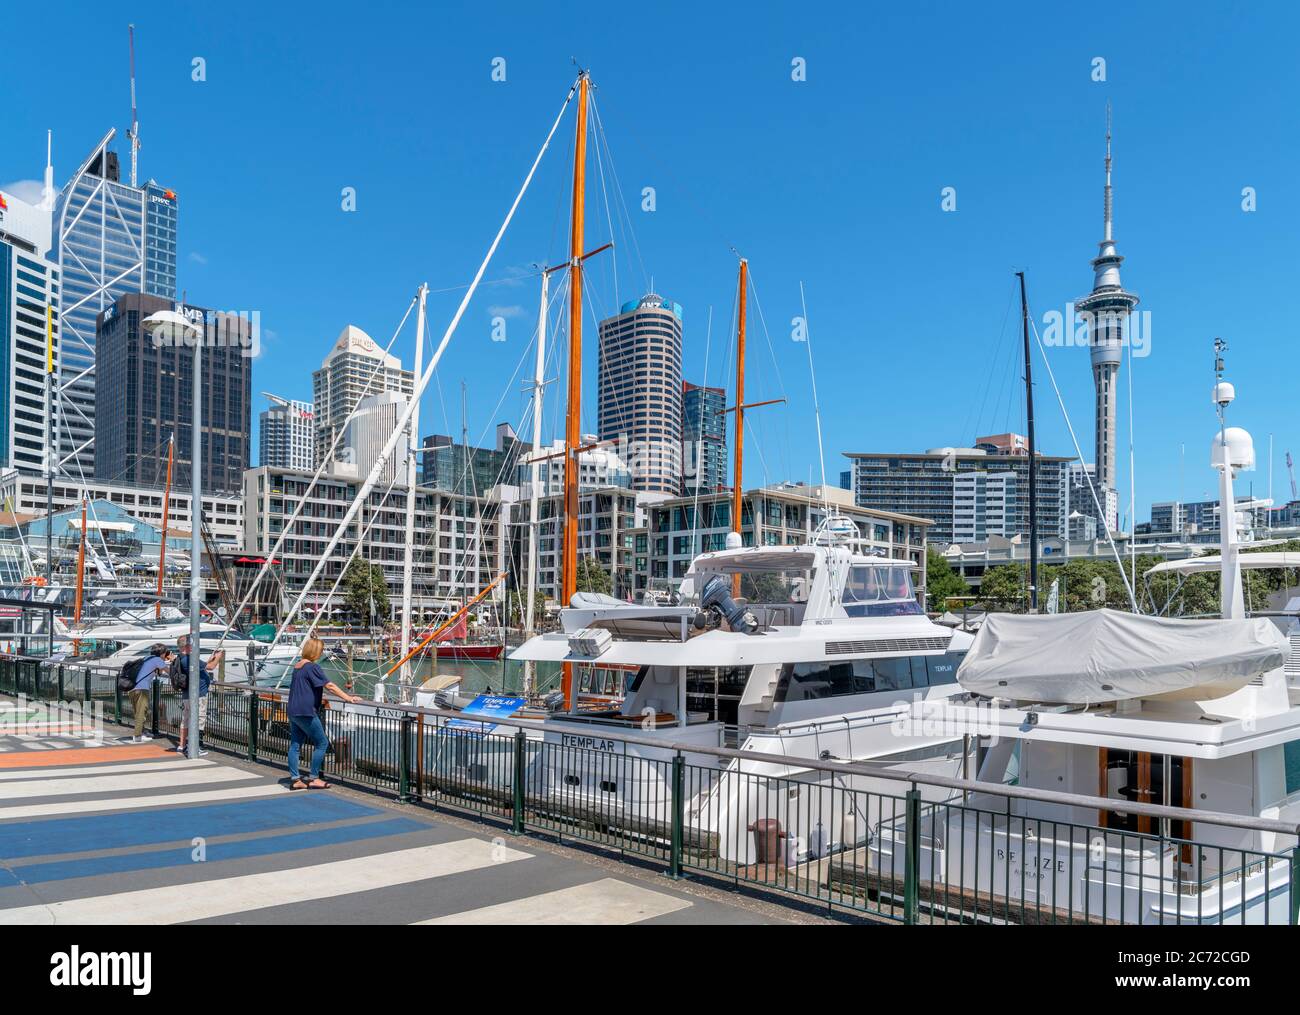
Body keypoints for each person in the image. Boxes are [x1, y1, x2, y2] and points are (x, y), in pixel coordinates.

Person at [287, 636, 359, 790]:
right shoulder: (313, 667)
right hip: (306, 711)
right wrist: (348, 698)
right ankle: (314, 778)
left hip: (293, 710)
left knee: (295, 745)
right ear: (315, 652)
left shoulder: (298, 666)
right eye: (320, 651)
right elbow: (330, 686)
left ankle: (295, 780)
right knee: (322, 743)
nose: (320, 654)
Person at [172, 635, 224, 756]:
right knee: (199, 719)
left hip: (187, 694)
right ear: (188, 646)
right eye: (192, 644)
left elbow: (204, 665)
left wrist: (212, 658)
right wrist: (218, 658)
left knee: (185, 719)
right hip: (198, 694)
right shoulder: (190, 658)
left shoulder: (181, 658)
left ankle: (182, 745)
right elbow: (210, 667)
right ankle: (197, 746)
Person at [129, 645, 172, 743]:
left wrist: (162, 663)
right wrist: (171, 662)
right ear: (162, 653)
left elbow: (158, 673)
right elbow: (169, 672)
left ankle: (142, 732)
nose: (166, 654)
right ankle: (137, 736)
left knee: (137, 712)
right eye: (166, 653)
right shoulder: (157, 659)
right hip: (142, 689)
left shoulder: (146, 658)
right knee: (141, 713)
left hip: (132, 688)